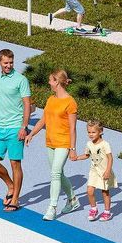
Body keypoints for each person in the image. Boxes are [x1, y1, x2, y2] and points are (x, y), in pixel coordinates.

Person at [25, 69, 81, 220]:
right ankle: (73, 199)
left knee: (55, 173)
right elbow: (43, 120)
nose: (49, 83)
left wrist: (72, 149)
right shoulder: (51, 99)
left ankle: (52, 207)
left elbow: (73, 128)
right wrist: (31, 134)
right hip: (50, 142)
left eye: (50, 80)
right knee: (59, 173)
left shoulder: (70, 102)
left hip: (63, 143)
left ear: (57, 82)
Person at [0, 48, 31, 212]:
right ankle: (10, 185)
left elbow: (27, 104)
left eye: (11, 62)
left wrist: (24, 126)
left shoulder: (21, 80)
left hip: (15, 128)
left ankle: (15, 199)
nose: (8, 65)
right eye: (5, 63)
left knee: (15, 163)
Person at [75, 119, 115, 221]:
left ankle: (107, 212)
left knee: (105, 192)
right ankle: (94, 209)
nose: (91, 134)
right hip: (94, 171)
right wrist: (77, 158)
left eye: (93, 132)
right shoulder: (89, 144)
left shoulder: (105, 144)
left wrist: (108, 171)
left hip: (104, 171)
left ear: (100, 131)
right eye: (89, 132)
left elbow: (110, 158)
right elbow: (87, 155)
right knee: (89, 191)